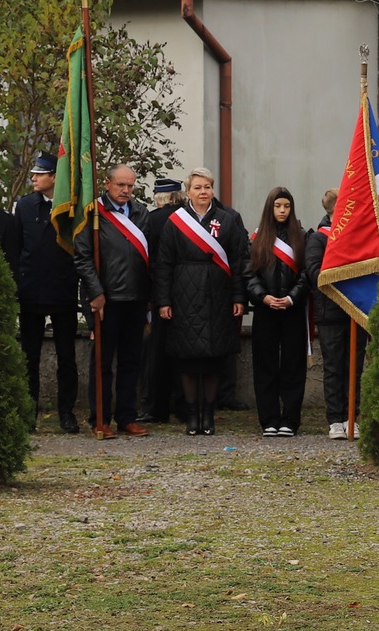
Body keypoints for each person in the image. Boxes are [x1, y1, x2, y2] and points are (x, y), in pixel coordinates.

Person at [152, 168, 248, 436]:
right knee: (188, 359)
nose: (203, 192)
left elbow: (239, 261)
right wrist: (164, 300)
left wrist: (239, 296)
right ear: (188, 192)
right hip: (184, 294)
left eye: (207, 187)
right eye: (198, 188)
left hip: (219, 294)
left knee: (214, 358)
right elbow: (164, 264)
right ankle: (192, 415)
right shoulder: (176, 221)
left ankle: (209, 415)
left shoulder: (227, 220)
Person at [72, 164, 152, 438]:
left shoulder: (141, 213)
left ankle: (127, 417)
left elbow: (149, 257)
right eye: (121, 185)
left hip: (137, 297)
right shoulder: (93, 214)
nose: (126, 191)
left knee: (131, 361)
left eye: (131, 186)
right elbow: (82, 256)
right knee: (102, 363)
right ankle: (100, 419)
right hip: (106, 300)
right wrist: (95, 293)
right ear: (107, 183)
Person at [10, 151, 83, 435]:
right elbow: (16, 249)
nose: (34, 178)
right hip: (31, 293)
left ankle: (66, 413)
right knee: (29, 355)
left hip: (62, 291)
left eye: (40, 174)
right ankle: (29, 411)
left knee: (67, 356)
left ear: (55, 177)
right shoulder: (25, 206)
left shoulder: (70, 206)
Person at [245, 186, 309, 436]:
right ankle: (269, 419)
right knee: (265, 365)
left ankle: (290, 420)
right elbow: (248, 273)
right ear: (270, 208)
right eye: (278, 206)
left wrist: (292, 298)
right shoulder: (257, 238)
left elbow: (306, 273)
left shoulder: (301, 237)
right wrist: (264, 297)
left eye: (287, 206)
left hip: (293, 310)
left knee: (293, 366)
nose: (282, 211)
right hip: (266, 309)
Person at [308, 188, 367, 439]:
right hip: (330, 311)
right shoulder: (319, 239)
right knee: (333, 367)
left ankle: (352, 416)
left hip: (355, 310)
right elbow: (313, 271)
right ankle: (335, 419)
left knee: (354, 367)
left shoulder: (357, 236)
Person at [140, 177, 184, 424]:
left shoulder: (152, 219)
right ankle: (184, 405)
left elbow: (148, 260)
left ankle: (156, 407)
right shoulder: (189, 219)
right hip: (188, 294)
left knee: (157, 353)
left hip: (159, 294)